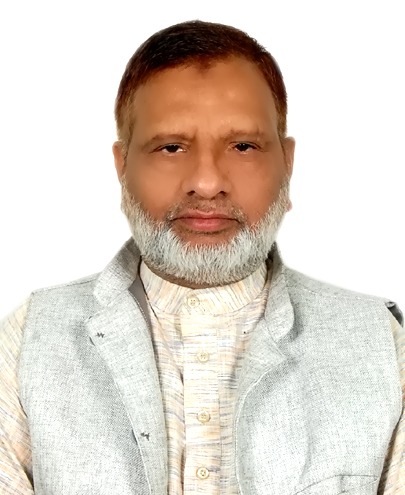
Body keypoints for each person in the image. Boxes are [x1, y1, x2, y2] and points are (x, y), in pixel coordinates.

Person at [0, 19, 403, 495]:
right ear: (122, 167)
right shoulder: (30, 341)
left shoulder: (383, 346)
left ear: (287, 164)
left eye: (243, 146)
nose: (207, 183)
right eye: (171, 147)